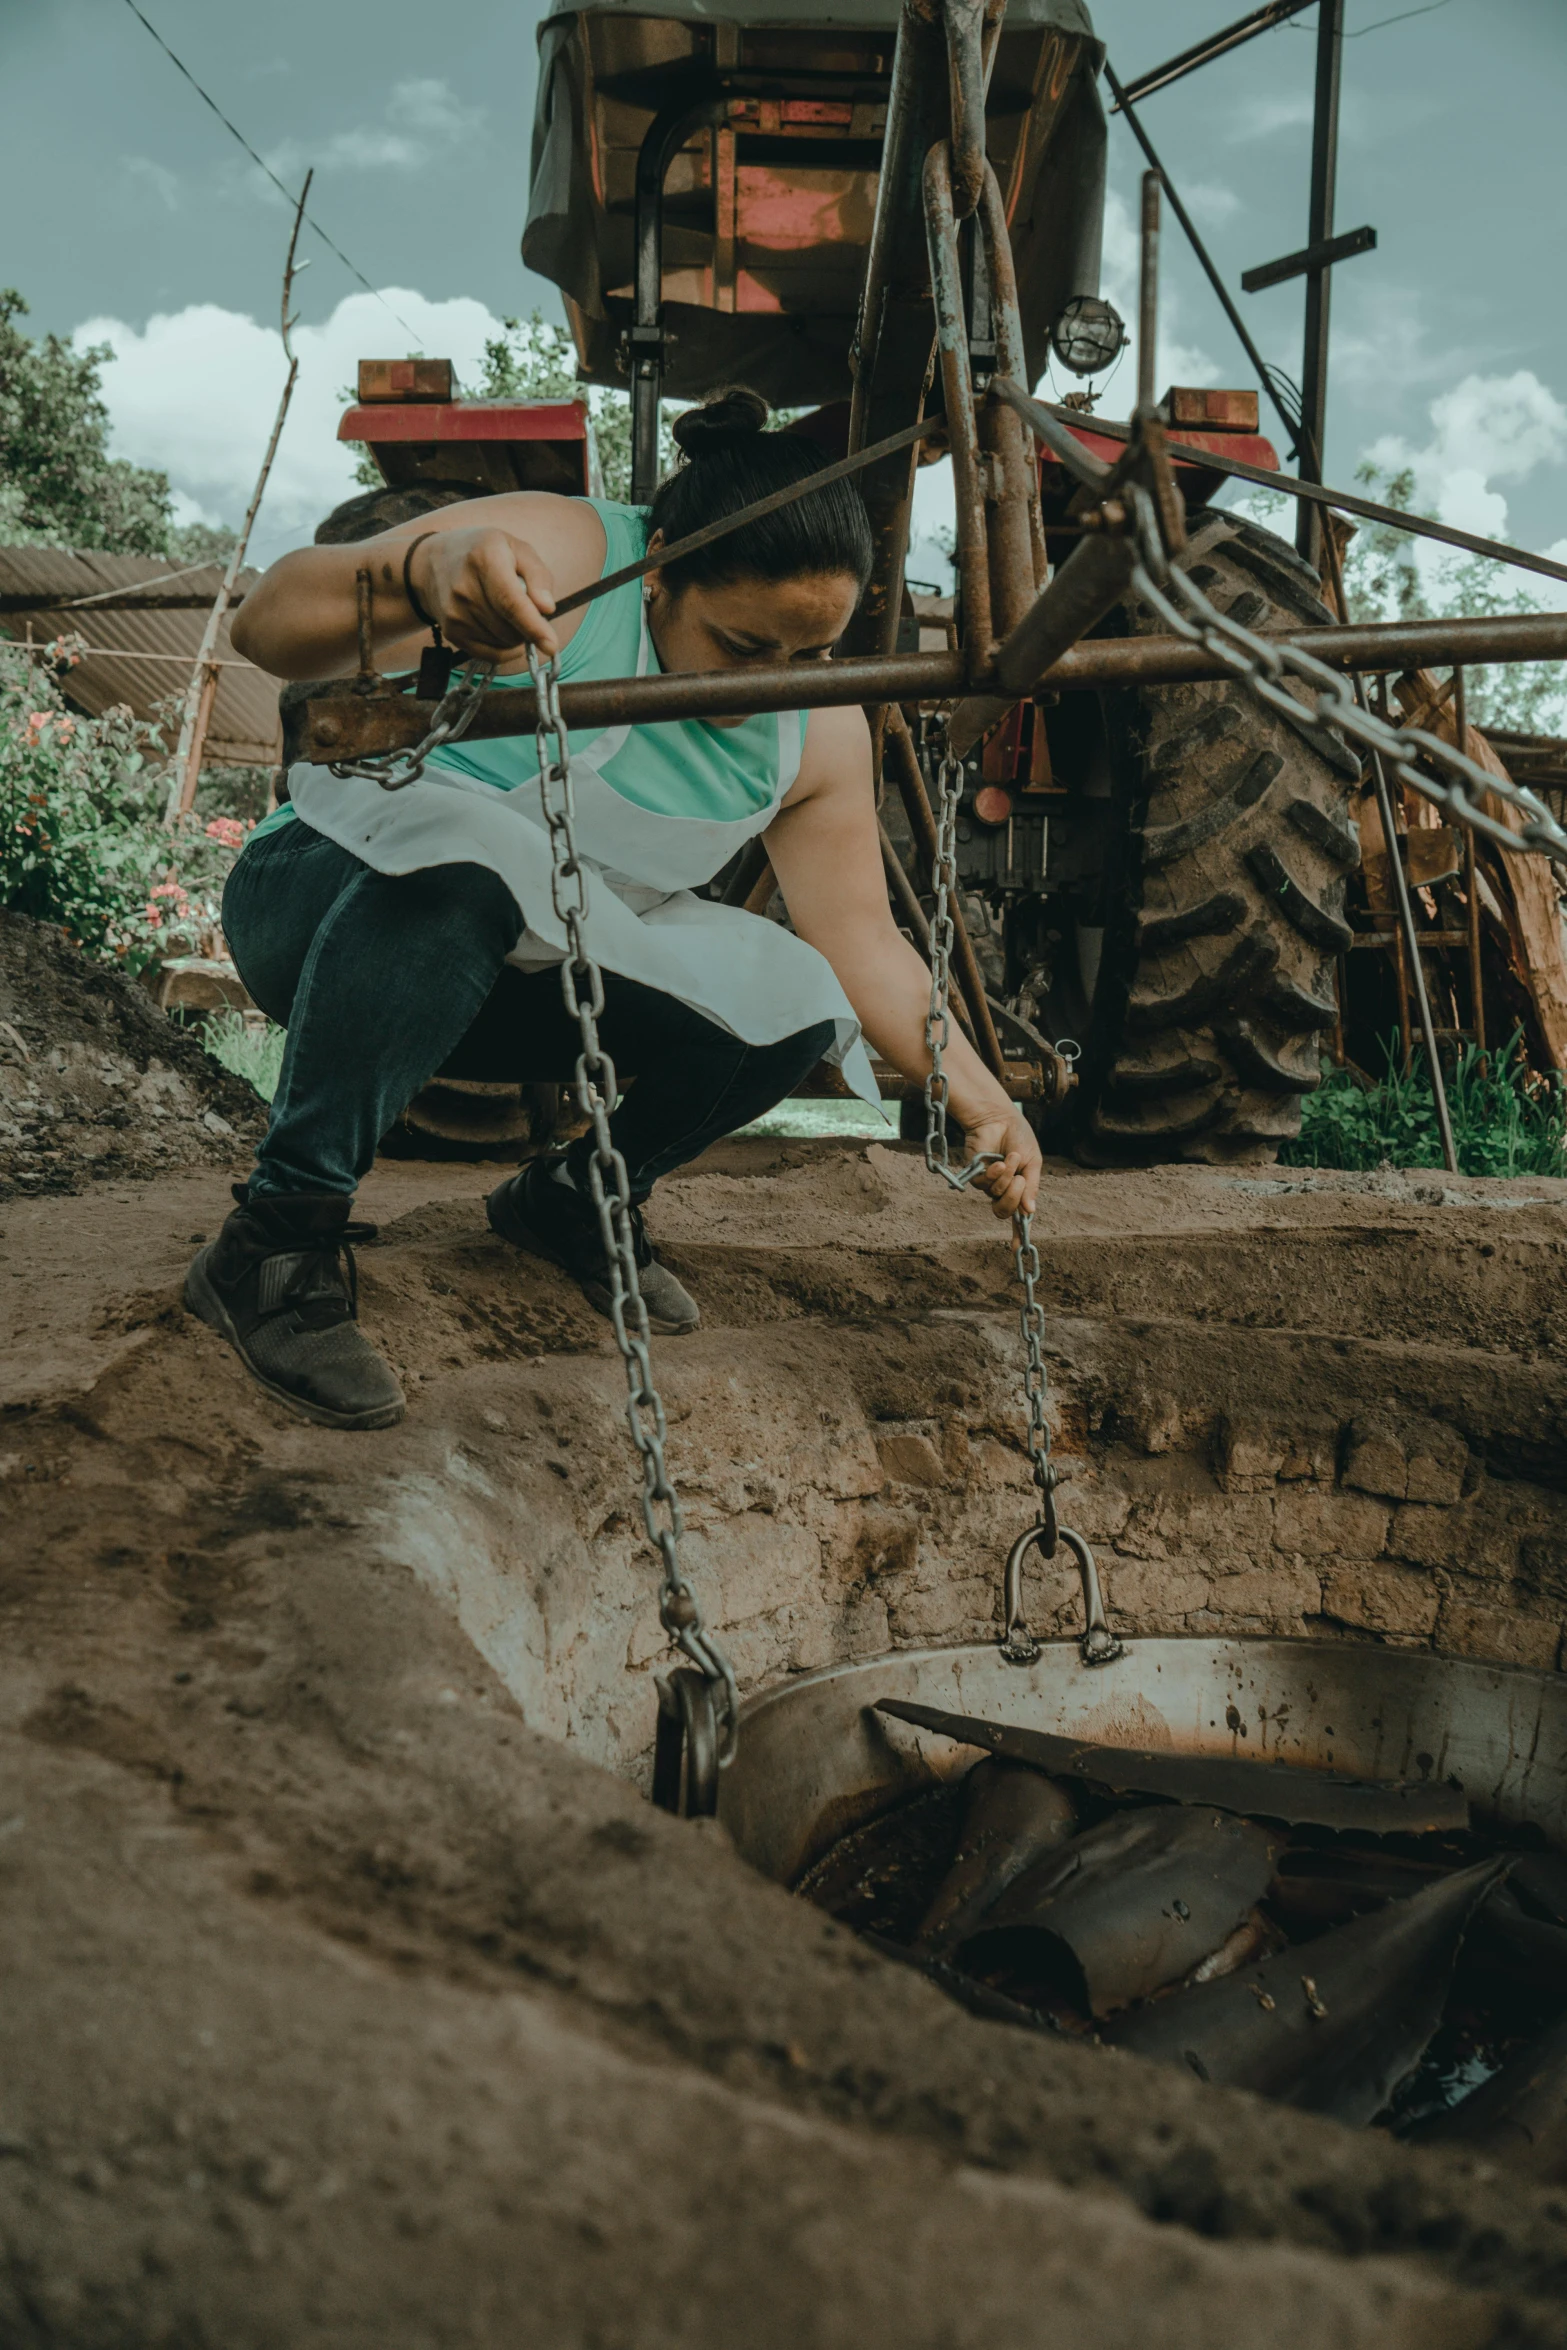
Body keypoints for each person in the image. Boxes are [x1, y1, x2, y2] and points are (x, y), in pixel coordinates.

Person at [193, 389, 1042, 1430]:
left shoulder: (816, 732)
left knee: (793, 994)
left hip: (515, 982)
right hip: (325, 915)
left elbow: (863, 941)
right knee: (479, 861)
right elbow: (266, 623)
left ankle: (577, 1196)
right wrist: (425, 572)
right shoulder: (568, 556)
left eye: (807, 655)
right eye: (741, 647)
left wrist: (985, 1101)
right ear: (662, 565)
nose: (773, 686)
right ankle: (277, 1240)